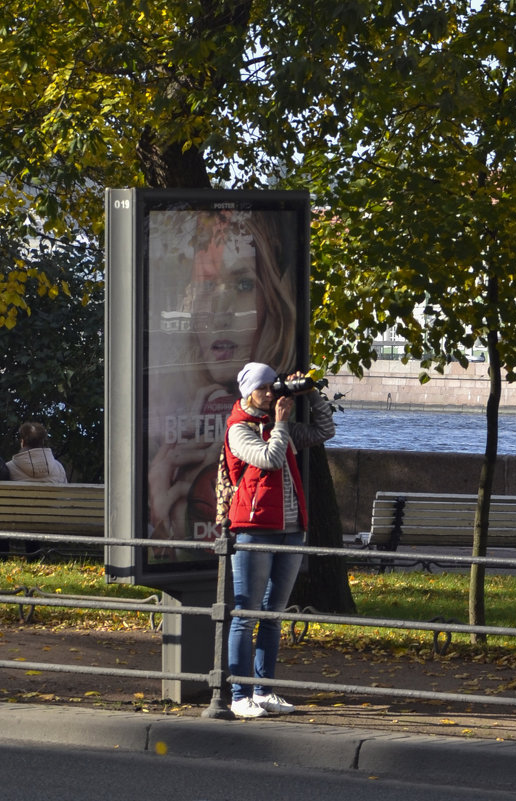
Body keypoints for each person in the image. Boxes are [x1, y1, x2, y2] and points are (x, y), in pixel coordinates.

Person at [146, 209, 299, 562]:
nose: (219, 311)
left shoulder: (239, 422)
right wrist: (162, 518)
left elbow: (312, 436)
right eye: (207, 284)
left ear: (273, 299)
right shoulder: (169, 421)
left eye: (243, 284)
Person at [224, 361, 335, 719]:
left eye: (275, 387)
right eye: (265, 389)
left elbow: (324, 431)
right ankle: (239, 695)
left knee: (272, 616)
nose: (271, 394)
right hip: (254, 528)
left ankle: (264, 691)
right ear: (248, 392)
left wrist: (310, 393)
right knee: (247, 614)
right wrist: (283, 423)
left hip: (290, 529)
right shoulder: (239, 429)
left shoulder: (277, 426)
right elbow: (270, 459)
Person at [0, 422, 67, 556]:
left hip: (15, 520)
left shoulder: (10, 467)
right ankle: (34, 555)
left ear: (22, 442)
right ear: (43, 441)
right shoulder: (58, 467)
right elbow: (65, 498)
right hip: (50, 518)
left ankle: (3, 556)